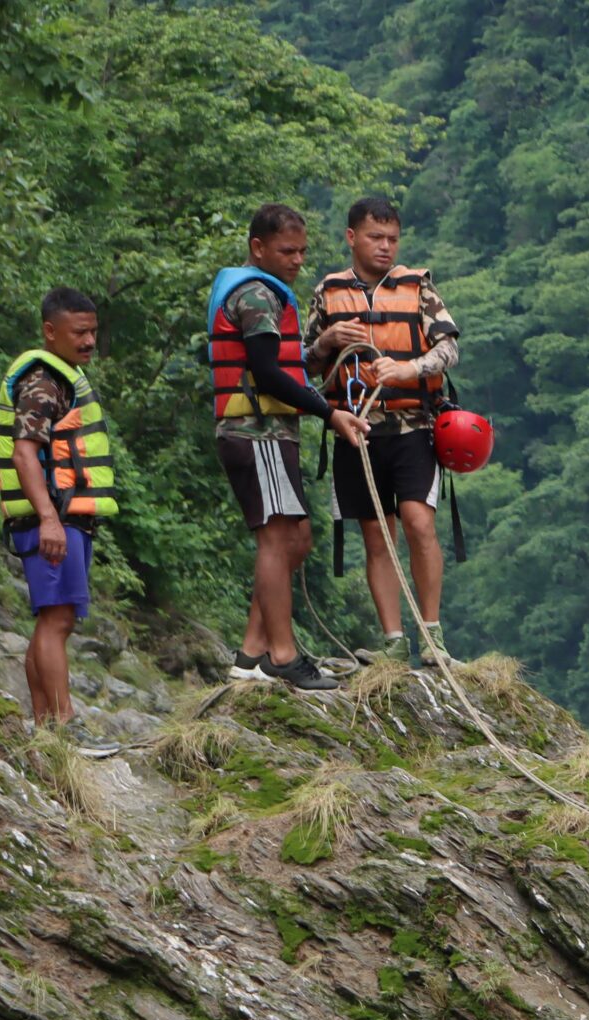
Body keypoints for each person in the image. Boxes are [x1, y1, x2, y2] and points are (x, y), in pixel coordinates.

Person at [209, 202, 367, 693]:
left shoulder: (267, 295)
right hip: (256, 436)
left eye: (302, 251)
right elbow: (269, 372)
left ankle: (252, 652)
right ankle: (283, 654)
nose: (297, 260)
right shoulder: (256, 293)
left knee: (297, 538)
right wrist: (330, 412)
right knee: (278, 538)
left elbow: (284, 357)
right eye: (286, 251)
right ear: (258, 248)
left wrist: (320, 349)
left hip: (273, 436)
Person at [308, 195, 460, 668]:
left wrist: (410, 369)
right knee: (377, 537)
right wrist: (327, 341)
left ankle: (432, 637)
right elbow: (303, 362)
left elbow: (448, 349)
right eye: (376, 237)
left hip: (413, 426)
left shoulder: (418, 287)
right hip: (356, 429)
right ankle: (394, 642)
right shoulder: (328, 294)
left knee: (419, 523)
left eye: (393, 239)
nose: (385, 247)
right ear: (352, 237)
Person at [0, 288, 118, 751]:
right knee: (57, 621)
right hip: (53, 519)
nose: (89, 341)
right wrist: (48, 518)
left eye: (93, 331)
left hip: (65, 518)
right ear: (51, 332)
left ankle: (47, 731)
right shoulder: (43, 381)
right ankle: (65, 727)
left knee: (54, 618)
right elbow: (25, 454)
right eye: (79, 332)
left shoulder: (63, 377)